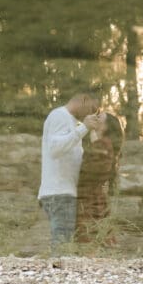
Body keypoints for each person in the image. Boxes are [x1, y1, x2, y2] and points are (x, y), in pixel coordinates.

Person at [38, 93, 101, 252]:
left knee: (64, 244)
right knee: (62, 247)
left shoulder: (71, 122)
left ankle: (57, 273)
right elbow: (55, 149)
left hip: (63, 193)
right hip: (59, 193)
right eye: (92, 109)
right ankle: (56, 275)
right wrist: (84, 128)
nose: (92, 114)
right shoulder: (60, 116)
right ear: (83, 100)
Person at [76, 113, 124, 245]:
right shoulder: (100, 143)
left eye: (99, 118)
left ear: (106, 127)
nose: (94, 119)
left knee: (89, 242)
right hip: (94, 199)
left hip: (90, 201)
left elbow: (92, 171)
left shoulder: (102, 144)